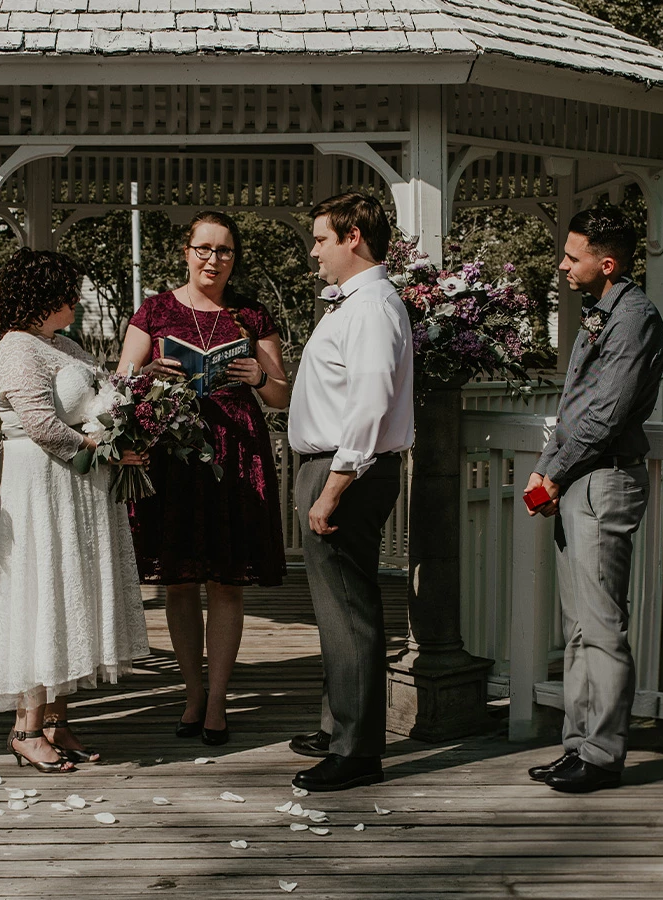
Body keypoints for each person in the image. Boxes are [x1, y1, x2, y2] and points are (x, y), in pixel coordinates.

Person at [118, 210, 290, 746]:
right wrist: (147, 376)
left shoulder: (251, 314)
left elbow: (283, 396)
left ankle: (217, 701)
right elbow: (120, 386)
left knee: (227, 582)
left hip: (237, 453)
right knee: (179, 582)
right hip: (173, 454)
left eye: (224, 251)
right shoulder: (154, 311)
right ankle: (191, 694)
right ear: (186, 251)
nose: (213, 259)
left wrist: (259, 376)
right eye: (204, 249)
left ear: (235, 258)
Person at [0, 247, 149, 773]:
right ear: (43, 296)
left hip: (79, 485)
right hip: (42, 483)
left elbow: (101, 398)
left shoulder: (66, 344)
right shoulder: (17, 349)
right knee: (45, 591)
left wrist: (130, 423)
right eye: (68, 292)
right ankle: (25, 729)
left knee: (71, 593)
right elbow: (41, 424)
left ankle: (57, 722)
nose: (76, 300)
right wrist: (103, 445)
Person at [525, 206, 663, 794]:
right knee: (579, 625)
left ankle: (604, 755)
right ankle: (578, 745)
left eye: (571, 256)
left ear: (606, 264)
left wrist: (552, 474)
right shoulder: (602, 311)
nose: (561, 265)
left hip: (602, 479)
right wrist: (552, 470)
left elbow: (606, 413)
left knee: (602, 625)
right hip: (581, 476)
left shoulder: (633, 318)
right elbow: (582, 406)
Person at [287, 193, 414, 792]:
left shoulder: (371, 309)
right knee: (335, 609)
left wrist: (333, 487)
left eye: (320, 239)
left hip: (348, 471)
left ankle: (358, 751)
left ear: (353, 237)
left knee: (349, 612)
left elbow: (369, 405)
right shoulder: (355, 305)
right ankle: (338, 723)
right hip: (335, 465)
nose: (313, 250)